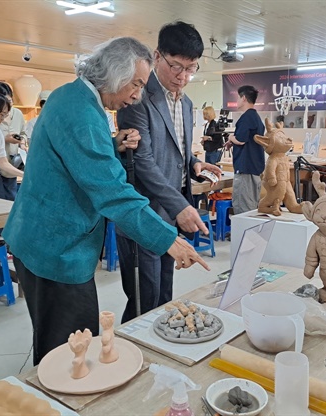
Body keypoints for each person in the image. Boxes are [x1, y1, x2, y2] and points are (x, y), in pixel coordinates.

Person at [2, 37, 209, 365]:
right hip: (56, 247)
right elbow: (113, 193)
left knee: (64, 339)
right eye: (137, 84)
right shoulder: (83, 113)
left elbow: (74, 159)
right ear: (115, 74)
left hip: (42, 237)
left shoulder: (74, 97)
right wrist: (170, 239)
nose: (137, 95)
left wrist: (112, 144)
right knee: (71, 349)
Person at [116, 21, 222, 323]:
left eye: (191, 69)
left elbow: (177, 148)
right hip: (144, 213)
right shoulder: (136, 97)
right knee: (143, 300)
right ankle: (132, 355)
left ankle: (156, 355)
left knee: (164, 294)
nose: (183, 77)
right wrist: (181, 207)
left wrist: (194, 163)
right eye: (176, 66)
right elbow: (144, 160)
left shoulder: (186, 103)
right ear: (157, 56)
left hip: (171, 213)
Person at [224, 85, 265, 214]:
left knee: (244, 207)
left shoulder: (246, 117)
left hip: (245, 169)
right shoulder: (256, 118)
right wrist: (232, 141)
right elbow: (246, 139)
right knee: (251, 205)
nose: (237, 100)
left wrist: (231, 136)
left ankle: (243, 234)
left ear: (244, 98)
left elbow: (241, 140)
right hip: (254, 167)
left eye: (238, 97)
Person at [0, 81, 26, 201]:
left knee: (11, 199)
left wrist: (22, 143)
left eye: (10, 100)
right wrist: (4, 139)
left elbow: (23, 133)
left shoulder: (17, 113)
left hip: (13, 162)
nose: (8, 105)